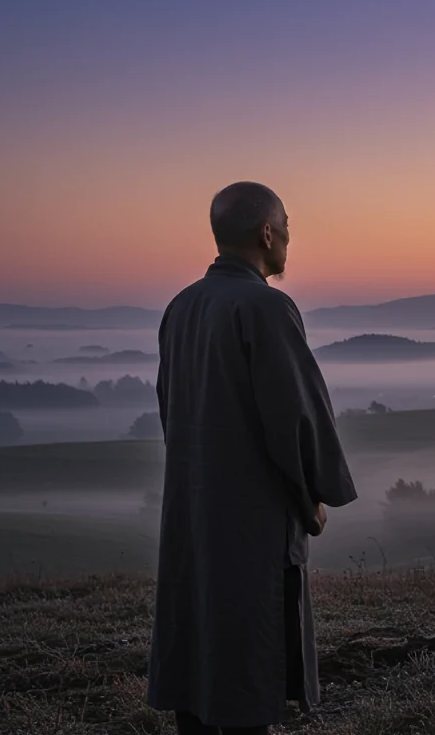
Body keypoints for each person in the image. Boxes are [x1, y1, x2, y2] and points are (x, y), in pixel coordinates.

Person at [147, 181, 358, 734]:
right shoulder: (266, 306)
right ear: (267, 232)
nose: (290, 234)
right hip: (252, 517)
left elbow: (172, 409)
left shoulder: (182, 306)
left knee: (197, 641)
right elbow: (297, 415)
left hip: (192, 507)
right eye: (287, 223)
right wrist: (315, 492)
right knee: (249, 649)